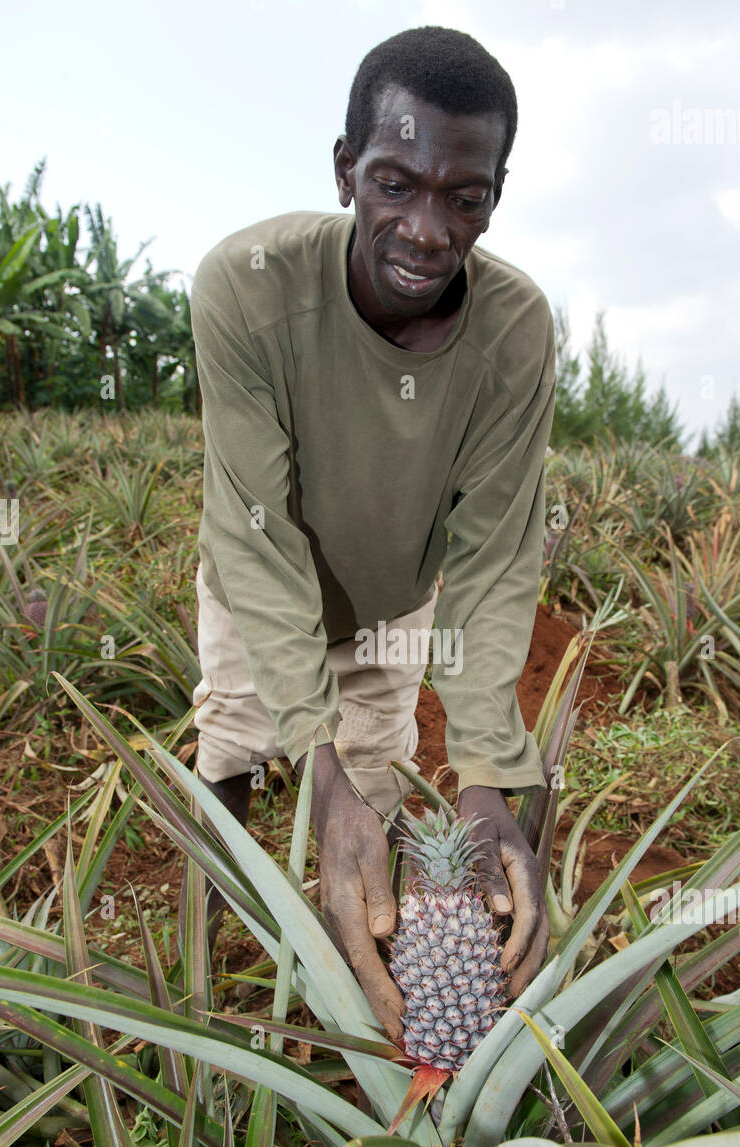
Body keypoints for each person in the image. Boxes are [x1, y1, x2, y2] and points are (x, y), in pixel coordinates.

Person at [190, 25, 557, 1041]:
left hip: (397, 599)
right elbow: (256, 535)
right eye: (396, 182)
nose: (428, 228)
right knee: (235, 744)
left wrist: (483, 770)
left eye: (463, 196)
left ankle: (367, 1006)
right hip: (262, 575)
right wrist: (313, 758)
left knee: (379, 783)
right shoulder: (248, 284)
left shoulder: (516, 329)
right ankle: (201, 972)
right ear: (347, 169)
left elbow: (492, 558)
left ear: (495, 194)